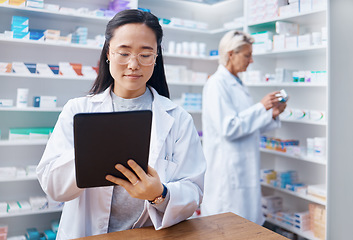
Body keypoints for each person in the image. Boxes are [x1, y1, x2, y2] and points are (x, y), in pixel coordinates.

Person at [36, 9, 206, 239]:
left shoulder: (178, 119)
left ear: (156, 57)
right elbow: (52, 185)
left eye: (145, 55)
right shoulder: (78, 110)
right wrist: (90, 150)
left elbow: (194, 191)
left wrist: (160, 193)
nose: (133, 64)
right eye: (124, 53)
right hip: (87, 234)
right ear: (108, 53)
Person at [200, 30, 287, 225]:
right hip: (227, 171)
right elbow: (228, 128)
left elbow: (246, 125)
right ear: (231, 54)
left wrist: (270, 115)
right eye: (247, 55)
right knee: (227, 226)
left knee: (245, 225)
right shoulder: (216, 84)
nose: (251, 60)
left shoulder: (238, 83)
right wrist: (260, 107)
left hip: (243, 166)